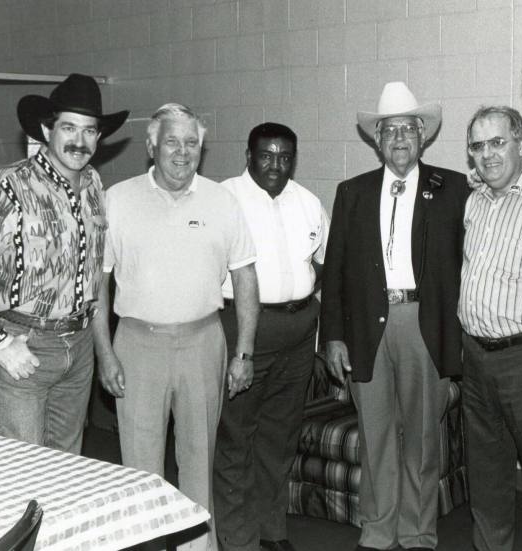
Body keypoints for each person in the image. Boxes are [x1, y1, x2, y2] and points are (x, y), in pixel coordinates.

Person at [91, 103, 260, 551]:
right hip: (136, 346)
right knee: (140, 470)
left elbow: (245, 277)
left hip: (204, 343)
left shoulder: (222, 201)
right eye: (171, 141)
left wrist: (243, 351)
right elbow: (98, 283)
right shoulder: (118, 198)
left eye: (191, 143)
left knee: (198, 464)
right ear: (151, 146)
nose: (181, 152)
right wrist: (104, 352)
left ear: (201, 150)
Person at [0, 73, 128, 454]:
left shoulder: (93, 184)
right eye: (69, 128)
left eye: (90, 131)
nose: (80, 141)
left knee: (66, 467)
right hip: (25, 344)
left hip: (78, 347)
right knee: (26, 470)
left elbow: (93, 273)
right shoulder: (8, 184)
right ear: (47, 129)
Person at [320, 81, 467, 551]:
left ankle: (418, 533)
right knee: (375, 436)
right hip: (366, 327)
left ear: (422, 135)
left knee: (423, 441)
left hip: (424, 324)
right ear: (376, 139)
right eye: (389, 131)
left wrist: (459, 344)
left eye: (408, 128)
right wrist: (333, 337)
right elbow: (336, 271)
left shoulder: (455, 189)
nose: (399, 138)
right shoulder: (352, 193)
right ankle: (378, 531)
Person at [213, 122, 329, 551]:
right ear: (249, 155)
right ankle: (237, 537)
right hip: (244, 332)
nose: (275, 165)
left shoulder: (309, 202)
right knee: (235, 436)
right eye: (266, 155)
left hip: (299, 333)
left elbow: (320, 262)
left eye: (284, 157)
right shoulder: (223, 198)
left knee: (280, 437)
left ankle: (271, 529)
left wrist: (292, 292)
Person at [459, 106, 522, 551]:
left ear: (521, 143)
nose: (488, 155)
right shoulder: (473, 202)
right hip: (475, 358)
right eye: (477, 146)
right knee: (487, 473)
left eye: (498, 142)